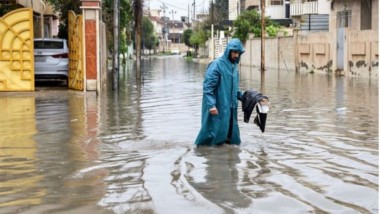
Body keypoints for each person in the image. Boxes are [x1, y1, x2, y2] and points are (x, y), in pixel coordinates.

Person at [195, 38, 245, 146]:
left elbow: (234, 90)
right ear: (229, 51)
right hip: (218, 107)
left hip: (231, 108)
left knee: (230, 137)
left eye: (238, 53)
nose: (236, 55)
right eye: (234, 52)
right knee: (212, 136)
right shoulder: (217, 65)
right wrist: (211, 105)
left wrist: (244, 96)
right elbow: (208, 87)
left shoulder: (234, 67)